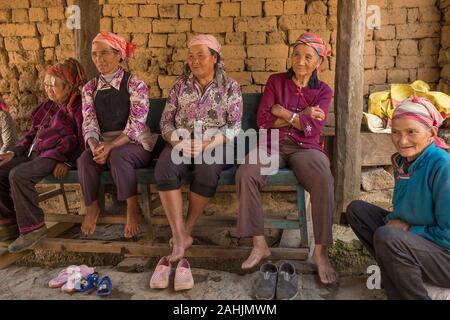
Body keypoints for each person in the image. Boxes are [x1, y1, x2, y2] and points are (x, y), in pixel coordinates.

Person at [235, 32, 337, 284]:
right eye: (296, 54)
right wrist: (302, 116)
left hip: (307, 148)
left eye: (308, 57)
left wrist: (285, 112)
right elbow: (263, 121)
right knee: (246, 172)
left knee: (323, 178)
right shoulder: (275, 81)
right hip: (272, 143)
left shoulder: (323, 91)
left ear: (318, 63)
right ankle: (259, 244)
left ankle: (321, 253)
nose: (300, 61)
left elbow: (314, 129)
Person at [347, 96, 450, 300]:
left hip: (445, 256)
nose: (402, 141)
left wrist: (409, 230)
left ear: (431, 133)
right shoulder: (404, 161)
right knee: (357, 211)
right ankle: (398, 273)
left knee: (388, 237)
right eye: (395, 132)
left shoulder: (442, 166)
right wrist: (400, 227)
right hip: (420, 243)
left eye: (411, 132)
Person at [155, 34, 243, 262]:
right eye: (191, 56)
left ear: (214, 58)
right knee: (165, 169)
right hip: (182, 140)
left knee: (207, 167)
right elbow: (165, 121)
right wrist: (175, 141)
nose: (194, 61)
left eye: (201, 56)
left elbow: (235, 127)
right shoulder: (179, 86)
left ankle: (187, 230)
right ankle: (178, 235)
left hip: (216, 143)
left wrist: (207, 144)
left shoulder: (230, 87)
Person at [78, 32, 158, 239]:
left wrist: (111, 147)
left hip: (135, 143)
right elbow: (89, 122)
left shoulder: (135, 84)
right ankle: (92, 206)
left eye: (105, 53)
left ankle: (132, 206)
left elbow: (136, 125)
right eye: (95, 54)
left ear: (119, 55)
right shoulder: (89, 88)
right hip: (104, 144)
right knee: (85, 159)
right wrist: (95, 145)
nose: (99, 59)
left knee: (118, 156)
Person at [0, 59, 85, 252]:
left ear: (69, 86)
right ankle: (8, 224)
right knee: (2, 170)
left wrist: (70, 162)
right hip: (35, 153)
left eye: (53, 85)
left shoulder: (78, 108)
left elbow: (83, 140)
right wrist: (14, 152)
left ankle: (33, 229)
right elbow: (30, 135)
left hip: (55, 156)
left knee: (19, 175)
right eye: (46, 84)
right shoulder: (48, 106)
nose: (48, 89)